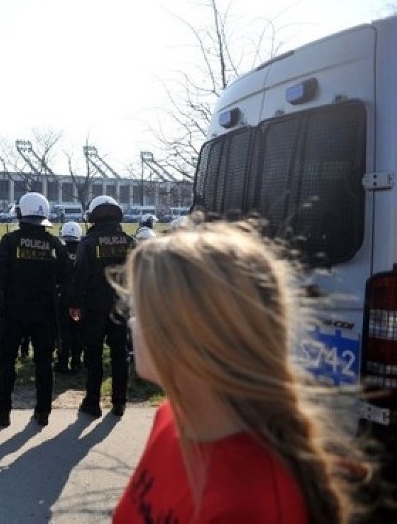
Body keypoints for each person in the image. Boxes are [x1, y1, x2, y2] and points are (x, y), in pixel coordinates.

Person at [113, 221, 368, 524]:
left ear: (189, 337)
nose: (131, 325)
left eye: (140, 312)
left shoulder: (249, 505)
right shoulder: (173, 416)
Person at [0, 192, 71, 428]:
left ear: (20, 212)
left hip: (13, 312)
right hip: (45, 315)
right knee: (44, 364)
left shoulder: (10, 241)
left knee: (7, 362)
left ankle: (2, 412)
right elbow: (68, 276)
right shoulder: (54, 244)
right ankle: (43, 413)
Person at [68, 195, 135, 418]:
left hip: (94, 309)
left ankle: (92, 403)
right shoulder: (129, 241)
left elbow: (78, 277)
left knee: (94, 355)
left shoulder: (88, 243)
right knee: (120, 354)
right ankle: (119, 403)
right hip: (122, 308)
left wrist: (74, 304)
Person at [54, 221, 83, 374]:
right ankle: (77, 362)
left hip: (62, 297)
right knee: (78, 330)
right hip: (80, 298)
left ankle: (62, 362)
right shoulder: (83, 250)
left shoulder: (59, 250)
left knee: (63, 331)